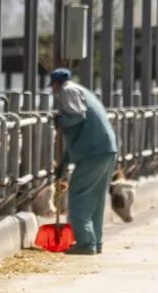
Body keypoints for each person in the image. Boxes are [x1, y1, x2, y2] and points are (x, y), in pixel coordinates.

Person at [49, 68, 118, 255]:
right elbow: (79, 134)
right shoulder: (84, 92)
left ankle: (86, 244)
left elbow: (77, 116)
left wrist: (59, 120)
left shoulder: (68, 90)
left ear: (56, 84)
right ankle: (95, 242)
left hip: (93, 153)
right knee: (96, 200)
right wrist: (63, 163)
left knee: (79, 197)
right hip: (106, 150)